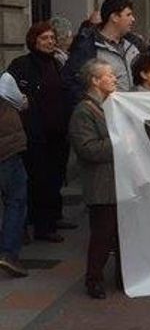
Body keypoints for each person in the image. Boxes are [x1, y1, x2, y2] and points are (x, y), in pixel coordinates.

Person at [7, 22, 71, 243]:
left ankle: (53, 217)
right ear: (34, 41)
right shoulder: (21, 65)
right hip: (34, 134)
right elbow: (11, 94)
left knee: (55, 178)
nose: (50, 42)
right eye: (44, 38)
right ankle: (37, 226)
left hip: (57, 132)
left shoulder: (58, 64)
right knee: (36, 180)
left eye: (52, 38)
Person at [68, 59, 119, 299]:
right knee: (102, 234)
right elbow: (87, 149)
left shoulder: (111, 104)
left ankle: (120, 276)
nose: (115, 79)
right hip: (101, 184)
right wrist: (119, 141)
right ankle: (94, 279)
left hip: (117, 181)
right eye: (109, 75)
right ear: (95, 81)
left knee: (119, 233)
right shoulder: (84, 111)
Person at [61, 0, 140, 107]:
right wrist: (94, 107)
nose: (133, 19)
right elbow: (70, 82)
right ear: (114, 17)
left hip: (132, 112)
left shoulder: (134, 45)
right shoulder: (88, 47)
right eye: (128, 15)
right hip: (104, 116)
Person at [0, 72, 29, 278]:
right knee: (15, 201)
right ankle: (8, 253)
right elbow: (21, 103)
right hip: (6, 151)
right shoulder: (4, 78)